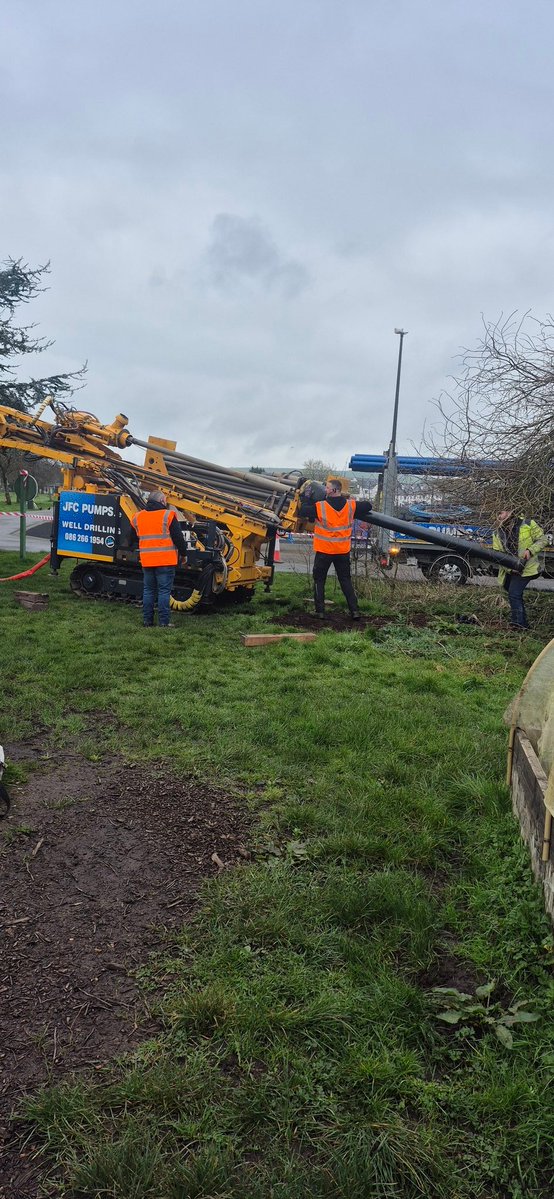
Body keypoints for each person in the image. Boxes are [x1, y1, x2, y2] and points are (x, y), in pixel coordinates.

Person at [299, 479, 373, 619]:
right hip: (342, 552)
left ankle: (320, 612)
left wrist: (306, 497)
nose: (325, 490)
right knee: (345, 580)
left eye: (327, 488)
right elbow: (368, 506)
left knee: (319, 580)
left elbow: (303, 510)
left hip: (324, 552)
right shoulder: (350, 506)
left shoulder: (320, 506)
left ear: (333, 490)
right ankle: (354, 611)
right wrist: (348, 498)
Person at [130, 490, 189, 628]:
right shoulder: (168, 515)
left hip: (147, 561)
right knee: (164, 591)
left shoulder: (137, 517)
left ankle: (147, 621)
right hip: (165, 561)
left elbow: (132, 539)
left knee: (148, 590)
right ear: (162, 501)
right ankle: (164, 622)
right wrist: (184, 554)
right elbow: (178, 538)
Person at [492, 510, 546, 631]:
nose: (499, 516)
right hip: (510, 570)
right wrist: (510, 568)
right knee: (513, 593)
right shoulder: (497, 532)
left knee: (514, 593)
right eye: (497, 514)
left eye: (501, 512)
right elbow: (498, 555)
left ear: (510, 512)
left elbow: (543, 540)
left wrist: (530, 550)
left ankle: (519, 625)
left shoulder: (528, 523)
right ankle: (520, 621)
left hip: (527, 568)